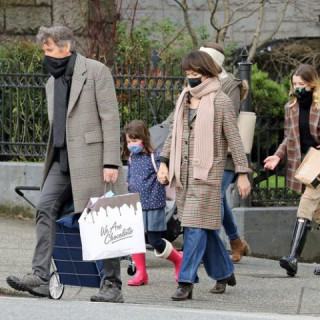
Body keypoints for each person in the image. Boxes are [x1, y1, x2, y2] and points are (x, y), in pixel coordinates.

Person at [6, 25, 127, 303]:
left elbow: (110, 119)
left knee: (103, 219)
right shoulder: (52, 81)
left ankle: (112, 285)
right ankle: (40, 277)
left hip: (94, 160)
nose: (44, 54)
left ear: (66, 46)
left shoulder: (96, 72)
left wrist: (111, 161)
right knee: (44, 207)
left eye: (48, 49)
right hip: (62, 161)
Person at [157, 51, 251, 300]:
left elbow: (235, 139)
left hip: (208, 173)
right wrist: (164, 162)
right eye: (187, 74)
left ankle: (185, 281)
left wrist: (242, 172)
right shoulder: (184, 98)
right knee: (205, 229)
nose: (190, 79)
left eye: (195, 74)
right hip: (183, 176)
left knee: (195, 228)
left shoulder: (220, 101)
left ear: (208, 73)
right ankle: (224, 270)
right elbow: (173, 135)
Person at [264, 64, 320, 277]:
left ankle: (293, 258)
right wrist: (278, 156)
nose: (298, 88)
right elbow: (289, 138)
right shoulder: (291, 108)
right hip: (305, 164)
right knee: (318, 212)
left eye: (302, 84)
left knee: (306, 203)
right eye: (295, 84)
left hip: (319, 164)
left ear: (312, 84)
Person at [199, 42, 251, 263]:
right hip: (203, 153)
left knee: (214, 198)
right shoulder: (197, 81)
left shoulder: (231, 85)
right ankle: (236, 241)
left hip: (226, 155)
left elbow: (226, 118)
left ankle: (213, 249)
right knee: (218, 199)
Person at [122, 119, 183, 286]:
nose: (131, 144)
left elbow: (164, 175)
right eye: (128, 141)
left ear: (144, 139)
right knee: (136, 238)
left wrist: (162, 176)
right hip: (136, 204)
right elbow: (130, 178)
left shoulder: (154, 156)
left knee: (155, 240)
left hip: (153, 204)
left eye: (134, 140)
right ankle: (141, 273)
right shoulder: (132, 157)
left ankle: (178, 259)